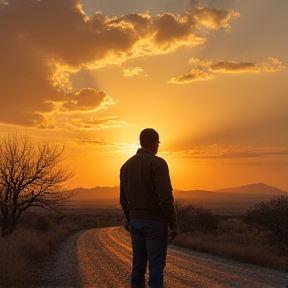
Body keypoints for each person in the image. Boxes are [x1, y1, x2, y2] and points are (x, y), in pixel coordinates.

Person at [120, 128, 178, 288]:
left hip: (135, 221)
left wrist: (130, 218)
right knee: (156, 267)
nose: (158, 147)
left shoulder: (126, 166)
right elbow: (165, 197)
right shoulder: (158, 163)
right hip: (155, 222)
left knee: (138, 267)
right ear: (154, 143)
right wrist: (172, 223)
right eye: (158, 144)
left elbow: (123, 199)